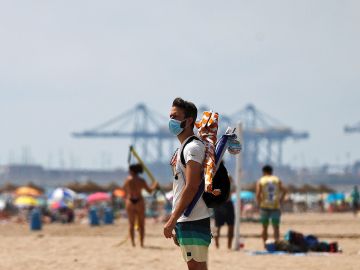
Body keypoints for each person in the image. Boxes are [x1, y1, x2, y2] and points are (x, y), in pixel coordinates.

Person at [164, 97, 211, 270]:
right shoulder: (184, 147)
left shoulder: (192, 148)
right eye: (170, 116)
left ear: (189, 120)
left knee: (195, 267)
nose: (171, 121)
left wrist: (172, 220)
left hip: (193, 218)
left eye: (175, 117)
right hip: (188, 219)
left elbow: (192, 186)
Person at [123, 163, 158, 247]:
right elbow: (149, 191)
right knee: (141, 224)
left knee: (131, 224)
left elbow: (124, 190)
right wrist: (155, 185)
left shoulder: (127, 180)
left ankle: (133, 243)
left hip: (130, 201)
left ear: (132, 171)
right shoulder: (141, 180)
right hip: (139, 201)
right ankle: (141, 244)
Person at [256, 165, 287, 248]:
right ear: (271, 171)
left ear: (263, 172)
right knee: (276, 227)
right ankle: (276, 244)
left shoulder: (261, 180)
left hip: (264, 206)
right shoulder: (277, 180)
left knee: (264, 227)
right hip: (275, 206)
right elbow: (285, 190)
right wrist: (280, 200)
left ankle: (265, 245)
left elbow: (258, 194)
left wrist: (259, 204)